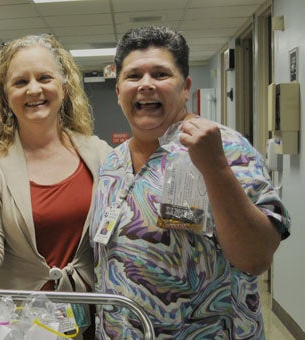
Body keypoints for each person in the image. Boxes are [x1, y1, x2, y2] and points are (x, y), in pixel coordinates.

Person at [90, 26, 291, 339]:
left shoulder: (226, 148)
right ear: (118, 92)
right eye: (133, 76)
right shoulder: (112, 162)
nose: (145, 85)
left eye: (160, 74)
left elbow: (256, 257)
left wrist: (216, 169)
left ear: (185, 87)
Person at [0, 34, 110, 338]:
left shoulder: (100, 155)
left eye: (44, 78)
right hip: (20, 325)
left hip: (93, 318)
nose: (34, 89)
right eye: (20, 82)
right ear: (4, 96)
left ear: (64, 89)